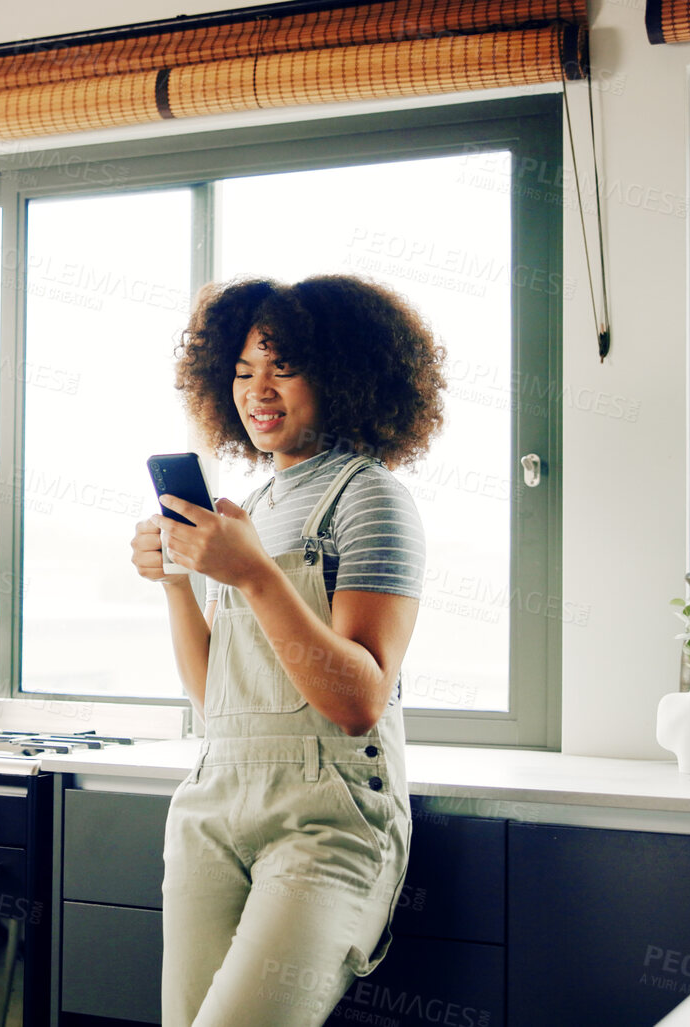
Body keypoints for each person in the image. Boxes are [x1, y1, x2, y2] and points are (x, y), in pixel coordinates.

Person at [129, 274, 445, 1026]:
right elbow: (219, 704)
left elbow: (358, 700)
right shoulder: (256, 506)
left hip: (324, 818)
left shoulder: (369, 497)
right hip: (214, 802)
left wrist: (249, 573)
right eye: (240, 372)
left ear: (342, 373)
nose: (256, 390)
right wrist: (179, 582)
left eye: (282, 366)